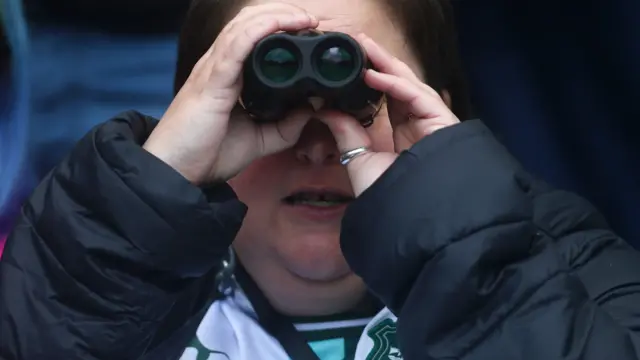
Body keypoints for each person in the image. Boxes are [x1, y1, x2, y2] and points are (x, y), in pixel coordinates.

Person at [1, 0, 639, 359]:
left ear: (440, 116)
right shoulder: (100, 290)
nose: (315, 143)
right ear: (196, 118)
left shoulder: (565, 262)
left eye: (361, 94)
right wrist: (137, 209)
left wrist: (469, 255)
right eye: (261, 97)